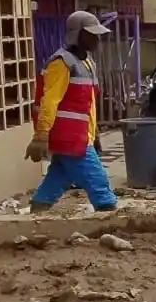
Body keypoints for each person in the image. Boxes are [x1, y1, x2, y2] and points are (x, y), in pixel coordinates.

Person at [25, 11, 117, 212]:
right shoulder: (61, 63)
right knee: (98, 182)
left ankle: (38, 211)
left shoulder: (86, 62)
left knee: (58, 176)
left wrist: (95, 135)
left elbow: (88, 104)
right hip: (70, 137)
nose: (96, 39)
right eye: (91, 34)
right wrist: (41, 136)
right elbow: (49, 101)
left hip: (79, 136)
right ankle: (110, 218)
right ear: (77, 35)